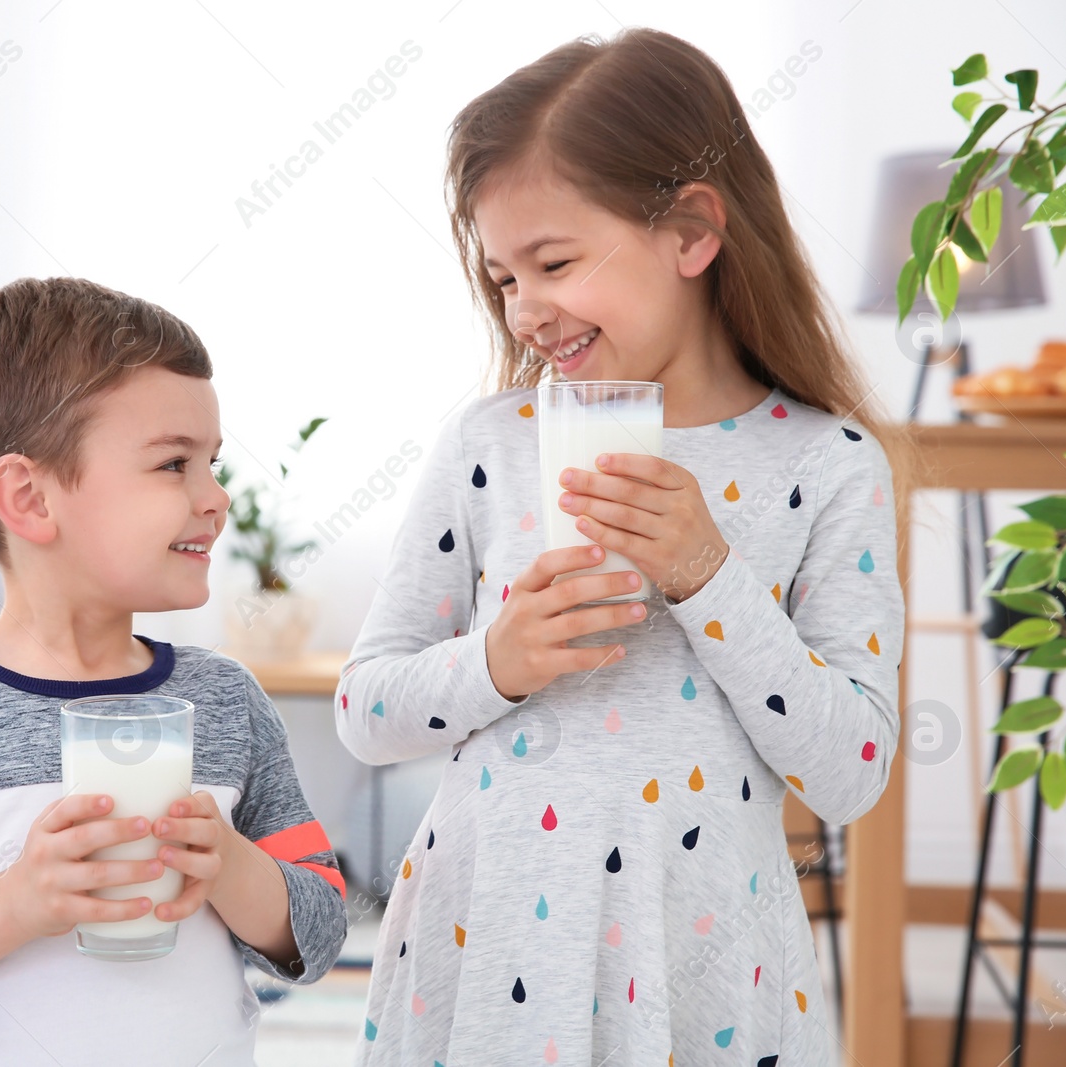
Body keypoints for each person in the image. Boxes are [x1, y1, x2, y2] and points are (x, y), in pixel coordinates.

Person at [336, 28, 914, 1065]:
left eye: (552, 263)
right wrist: (495, 660)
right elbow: (365, 710)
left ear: (691, 232)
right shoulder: (490, 444)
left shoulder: (830, 463)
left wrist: (707, 575)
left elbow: (851, 770)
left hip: (702, 940)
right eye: (504, 277)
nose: (524, 310)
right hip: (490, 922)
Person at [0, 276, 347, 1065]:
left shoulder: (226, 702)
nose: (216, 497)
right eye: (173, 465)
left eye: (212, 462)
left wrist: (231, 866)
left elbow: (322, 930)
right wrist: (14, 902)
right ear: (29, 497)